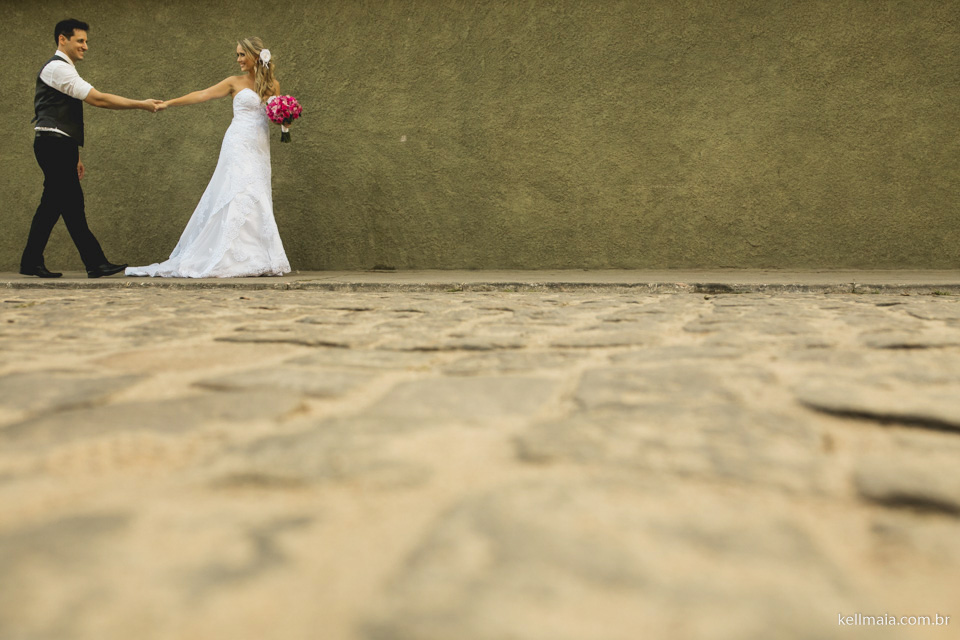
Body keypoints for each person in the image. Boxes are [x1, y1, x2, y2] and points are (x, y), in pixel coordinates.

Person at [126, 37, 291, 278]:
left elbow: (274, 116)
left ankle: (256, 256)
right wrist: (169, 103)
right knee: (238, 191)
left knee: (257, 193)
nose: (238, 59)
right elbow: (203, 94)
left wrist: (285, 120)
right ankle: (228, 255)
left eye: (242, 55)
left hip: (259, 146)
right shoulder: (234, 82)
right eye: (237, 55)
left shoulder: (272, 85)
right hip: (237, 143)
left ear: (255, 56)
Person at [21, 18, 164, 279]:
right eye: (80, 41)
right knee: (71, 205)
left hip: (58, 145)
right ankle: (95, 263)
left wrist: (75, 155)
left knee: (53, 205)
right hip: (53, 145)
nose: (85, 46)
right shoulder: (58, 68)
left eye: (86, 41)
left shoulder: (66, 68)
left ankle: (32, 261)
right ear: (62, 39)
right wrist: (141, 104)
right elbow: (98, 99)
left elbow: (68, 116)